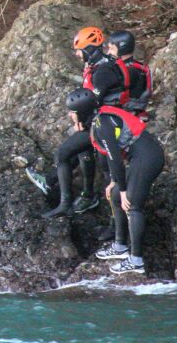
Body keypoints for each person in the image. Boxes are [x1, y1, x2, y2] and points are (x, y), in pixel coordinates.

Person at [26, 26, 128, 218]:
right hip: (102, 121)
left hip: (107, 125)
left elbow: (94, 99)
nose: (77, 54)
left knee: (63, 153)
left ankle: (64, 203)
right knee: (82, 151)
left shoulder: (103, 71)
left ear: (89, 49)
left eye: (79, 50)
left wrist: (80, 117)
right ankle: (84, 195)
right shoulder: (101, 65)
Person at [66, 88, 165, 275]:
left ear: (81, 112)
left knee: (132, 204)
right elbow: (112, 156)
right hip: (139, 157)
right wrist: (114, 183)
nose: (70, 115)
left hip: (148, 157)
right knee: (113, 194)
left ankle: (136, 260)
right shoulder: (98, 120)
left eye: (72, 112)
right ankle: (120, 247)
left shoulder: (102, 124)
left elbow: (115, 159)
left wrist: (123, 190)